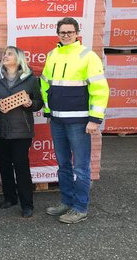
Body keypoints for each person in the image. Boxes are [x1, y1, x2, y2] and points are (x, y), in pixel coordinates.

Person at [41, 18, 109, 224]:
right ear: (57, 33)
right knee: (63, 165)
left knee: (80, 167)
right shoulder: (52, 55)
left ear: (77, 33)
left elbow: (100, 89)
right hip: (57, 121)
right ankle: (66, 201)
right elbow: (46, 85)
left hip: (80, 122)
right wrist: (47, 112)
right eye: (62, 32)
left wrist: (95, 119)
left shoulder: (88, 56)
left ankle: (80, 207)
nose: (66, 35)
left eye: (70, 32)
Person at [0, 47, 43, 218]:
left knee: (21, 166)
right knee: (4, 166)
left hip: (22, 131)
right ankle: (10, 198)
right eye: (4, 54)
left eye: (9, 54)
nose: (5, 56)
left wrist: (30, 104)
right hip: (0, 130)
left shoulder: (31, 80)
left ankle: (27, 204)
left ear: (19, 59)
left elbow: (39, 102)